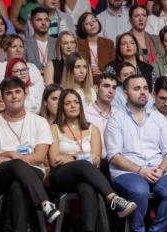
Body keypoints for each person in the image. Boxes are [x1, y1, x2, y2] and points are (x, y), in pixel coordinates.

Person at [48, 88, 137, 231]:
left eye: (76, 102)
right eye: (68, 103)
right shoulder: (54, 128)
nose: (73, 106)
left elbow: (95, 159)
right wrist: (79, 157)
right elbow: (54, 160)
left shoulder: (92, 129)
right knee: (83, 164)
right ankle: (113, 198)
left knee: (87, 188)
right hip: (61, 177)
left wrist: (70, 157)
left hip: (86, 177)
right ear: (61, 107)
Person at [0, 77, 62, 227]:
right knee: (16, 165)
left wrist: (11, 160)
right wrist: (11, 155)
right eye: (9, 93)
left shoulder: (39, 122)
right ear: (3, 98)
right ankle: (45, 203)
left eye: (18, 91)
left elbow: (39, 156)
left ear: (25, 94)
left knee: (18, 187)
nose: (14, 96)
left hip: (33, 172)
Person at [84, 72, 118, 157]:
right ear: (96, 88)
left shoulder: (120, 114)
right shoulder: (85, 113)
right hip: (93, 161)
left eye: (114, 88)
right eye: (106, 86)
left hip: (117, 162)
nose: (111, 91)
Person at [77, 12, 116, 80]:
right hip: (84, 80)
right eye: (87, 23)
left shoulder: (109, 43)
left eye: (93, 21)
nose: (91, 24)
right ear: (82, 28)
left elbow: (113, 66)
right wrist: (89, 72)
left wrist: (102, 72)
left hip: (105, 80)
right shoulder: (77, 43)